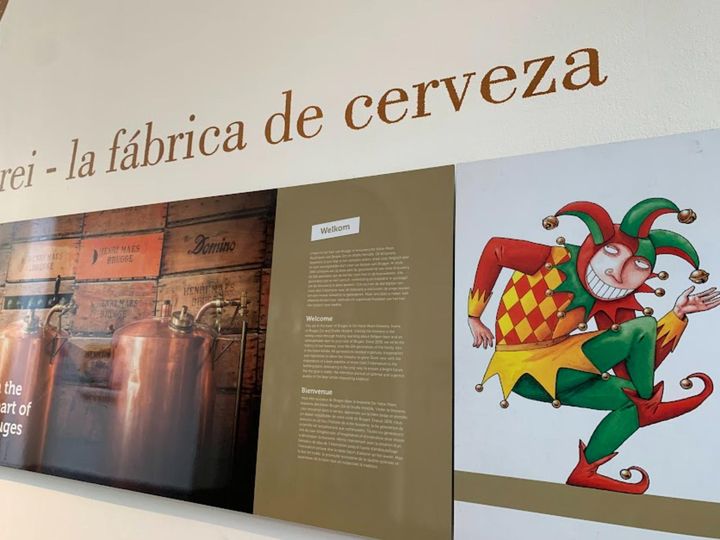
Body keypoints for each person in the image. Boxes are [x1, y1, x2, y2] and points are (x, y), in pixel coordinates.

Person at [467, 198, 717, 493]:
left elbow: (637, 363)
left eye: (638, 266)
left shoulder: (615, 300)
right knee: (644, 336)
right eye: (611, 253)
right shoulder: (555, 258)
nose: (617, 273)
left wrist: (677, 315)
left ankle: (585, 471)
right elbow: (496, 249)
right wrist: (474, 315)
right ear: (594, 247)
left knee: (630, 400)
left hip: (559, 368)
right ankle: (647, 406)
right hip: (523, 367)